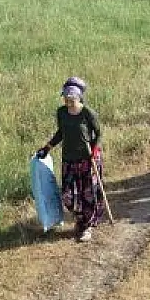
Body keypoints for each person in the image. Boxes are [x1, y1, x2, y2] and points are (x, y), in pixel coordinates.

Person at [36, 78, 104, 242]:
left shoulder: (87, 113)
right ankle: (80, 220)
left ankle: (86, 226)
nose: (68, 103)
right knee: (68, 196)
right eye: (66, 99)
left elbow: (98, 133)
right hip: (69, 159)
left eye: (71, 100)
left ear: (79, 98)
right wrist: (47, 147)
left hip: (87, 159)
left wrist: (94, 149)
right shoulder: (62, 112)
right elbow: (61, 133)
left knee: (88, 195)